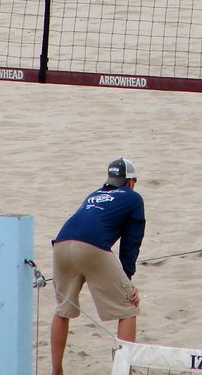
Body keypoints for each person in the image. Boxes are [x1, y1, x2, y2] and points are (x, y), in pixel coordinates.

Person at [50, 158, 145, 375]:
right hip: (91, 247)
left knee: (62, 310)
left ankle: (56, 371)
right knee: (128, 307)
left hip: (62, 244)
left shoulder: (94, 194)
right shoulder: (133, 198)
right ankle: (124, 370)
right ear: (131, 182)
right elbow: (131, 243)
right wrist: (127, 280)